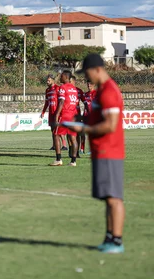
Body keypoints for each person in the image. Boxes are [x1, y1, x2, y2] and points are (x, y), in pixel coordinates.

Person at [66, 53, 125, 254]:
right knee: (108, 197)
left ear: (97, 69)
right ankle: (110, 237)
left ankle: (116, 240)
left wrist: (83, 130)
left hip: (110, 151)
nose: (87, 78)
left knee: (114, 197)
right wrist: (78, 121)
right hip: (102, 151)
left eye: (88, 73)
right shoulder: (101, 91)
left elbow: (111, 125)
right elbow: (96, 119)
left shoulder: (109, 91)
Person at [50, 70, 79, 167]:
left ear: (66, 77)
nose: (60, 78)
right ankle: (73, 161)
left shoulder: (63, 87)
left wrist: (57, 115)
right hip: (73, 116)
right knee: (73, 138)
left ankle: (58, 159)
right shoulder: (74, 89)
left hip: (65, 115)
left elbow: (61, 102)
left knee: (56, 135)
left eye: (61, 76)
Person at [40, 75, 67, 151]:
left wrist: (61, 111)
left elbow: (62, 101)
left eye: (48, 80)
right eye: (47, 80)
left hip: (57, 112)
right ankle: (54, 145)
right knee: (52, 129)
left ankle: (64, 145)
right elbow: (46, 102)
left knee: (59, 129)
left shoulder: (58, 88)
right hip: (51, 113)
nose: (47, 82)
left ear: (53, 80)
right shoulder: (47, 90)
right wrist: (43, 112)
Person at [80, 80, 97, 154]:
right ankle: (82, 149)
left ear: (94, 85)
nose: (89, 86)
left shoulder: (96, 93)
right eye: (88, 84)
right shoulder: (85, 94)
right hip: (85, 116)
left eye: (90, 84)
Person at [71, 75, 85, 158]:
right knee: (70, 134)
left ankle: (77, 152)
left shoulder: (79, 91)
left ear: (74, 81)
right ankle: (71, 150)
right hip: (69, 115)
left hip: (77, 115)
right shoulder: (66, 89)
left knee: (78, 134)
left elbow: (85, 102)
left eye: (71, 81)